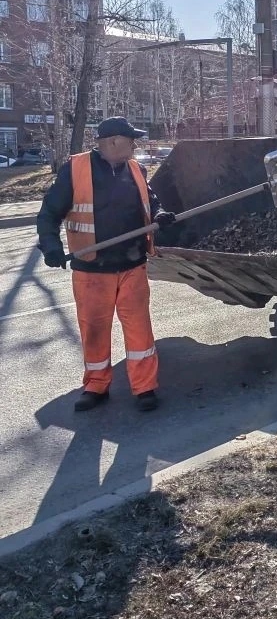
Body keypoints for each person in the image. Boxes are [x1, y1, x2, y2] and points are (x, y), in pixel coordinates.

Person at [36, 117, 176, 413]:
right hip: (92, 270)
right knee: (94, 331)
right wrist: (51, 247)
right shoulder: (76, 170)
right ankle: (96, 386)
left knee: (139, 330)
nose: (134, 145)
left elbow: (151, 202)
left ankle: (145, 387)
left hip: (132, 265)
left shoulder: (136, 169)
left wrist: (159, 215)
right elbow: (49, 213)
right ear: (113, 141)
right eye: (130, 140)